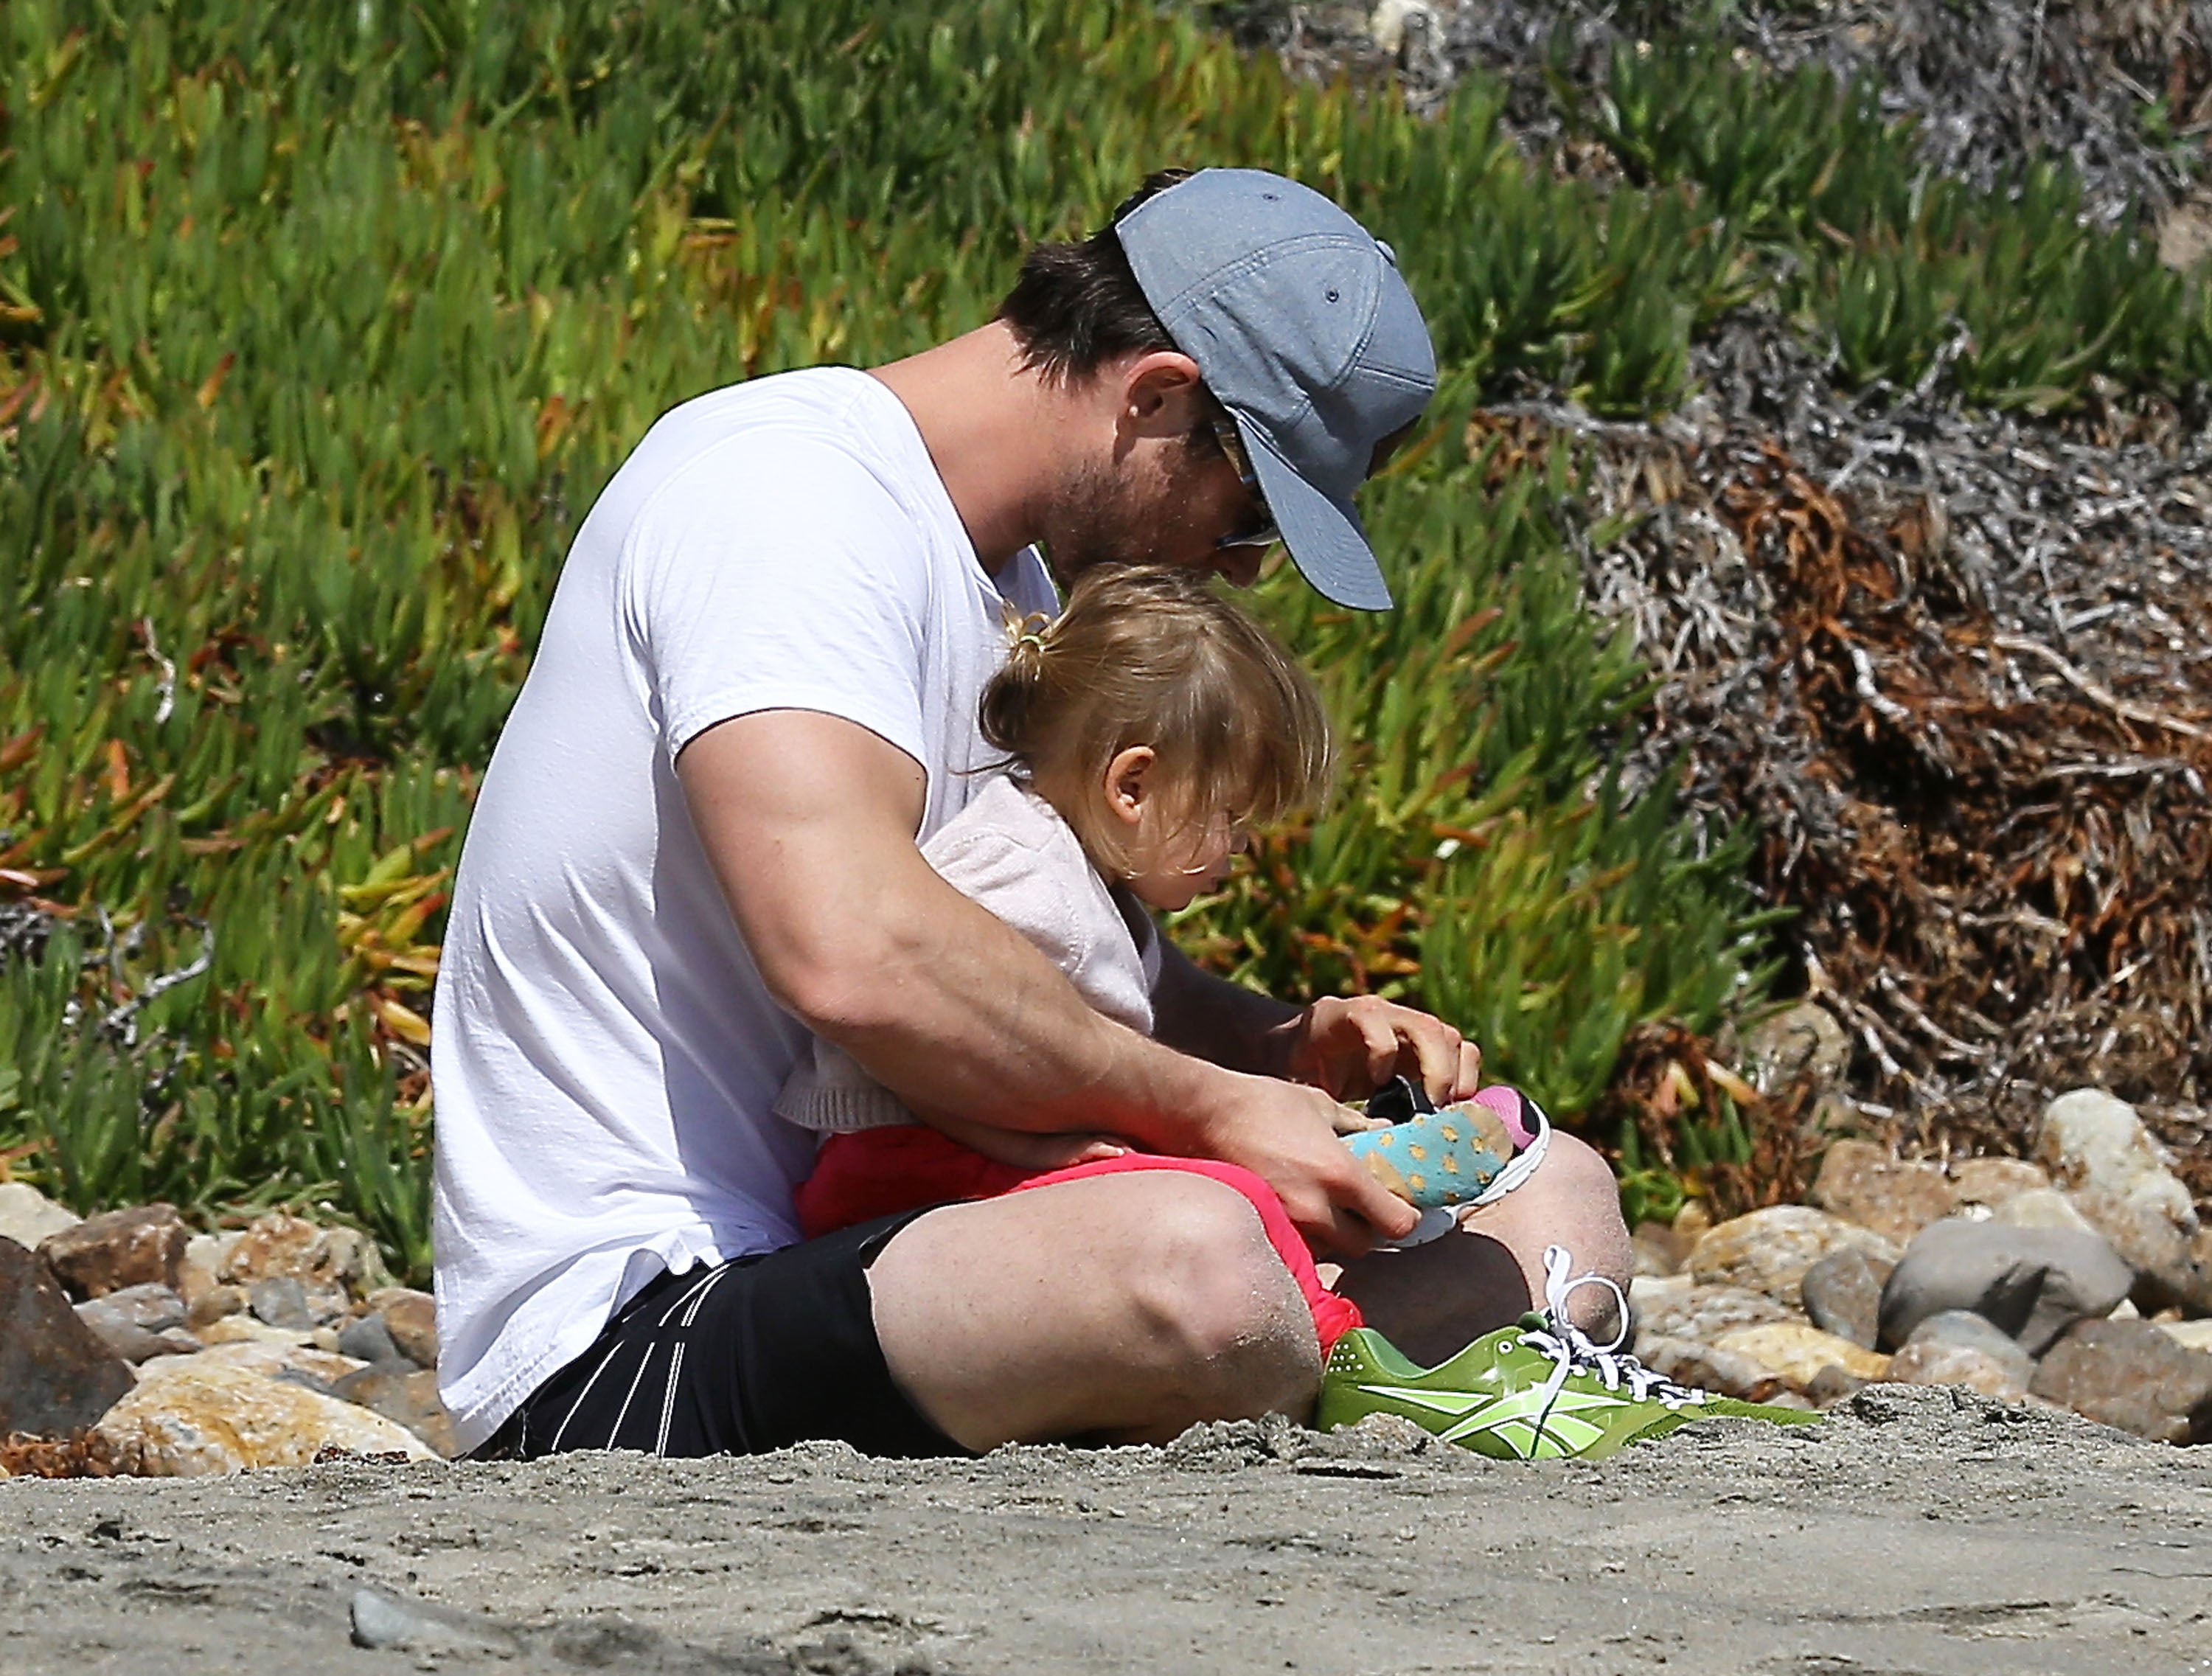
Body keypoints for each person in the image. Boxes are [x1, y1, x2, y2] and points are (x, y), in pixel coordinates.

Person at [433, 166, 1635, 1464]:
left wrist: (1279, 1044)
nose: (1241, 570)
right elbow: (854, 951)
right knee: (1203, 1264)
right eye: (1253, 514)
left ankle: (1341, 1375)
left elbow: (1046, 962)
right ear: (1158, 395)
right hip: (640, 1324)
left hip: (909, 1255)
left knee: (1555, 1202)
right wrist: (1220, 1113)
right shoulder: (786, 501)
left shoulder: (1011, 587)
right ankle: (1355, 1377)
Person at [775, 564, 1551, 1355]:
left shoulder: (1093, 889)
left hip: (949, 1164)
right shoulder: (1023, 874)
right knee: (1223, 1199)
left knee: (1214, 1187)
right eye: (1230, 816)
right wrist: (1032, 1145)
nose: (1241, 847)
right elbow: (928, 1036)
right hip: (901, 1166)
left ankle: (1375, 1173)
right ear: (1134, 785)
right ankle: (1334, 1342)